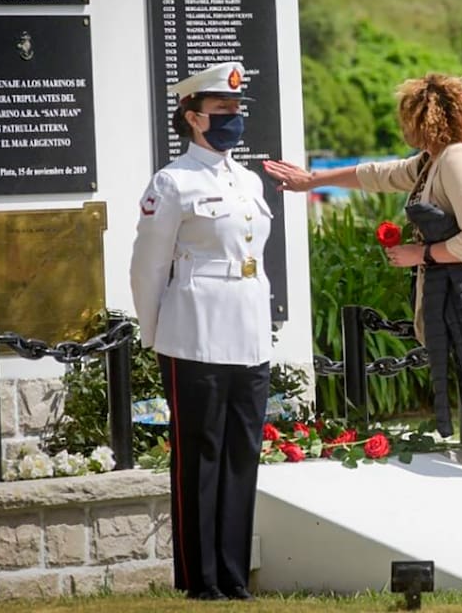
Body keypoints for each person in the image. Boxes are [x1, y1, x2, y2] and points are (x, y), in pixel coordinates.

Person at [264, 72, 462, 497]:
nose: (403, 127)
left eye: (407, 118)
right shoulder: (432, 161)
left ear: (423, 118)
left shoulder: (458, 160)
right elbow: (378, 173)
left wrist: (422, 255)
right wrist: (311, 181)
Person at [129, 62, 273, 601]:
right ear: (193, 118)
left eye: (236, 110)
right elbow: (147, 266)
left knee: (242, 451)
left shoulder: (250, 179)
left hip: (249, 330)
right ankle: (200, 577)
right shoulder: (172, 182)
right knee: (200, 452)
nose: (233, 119)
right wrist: (154, 330)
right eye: (222, 111)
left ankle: (234, 575)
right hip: (195, 332)